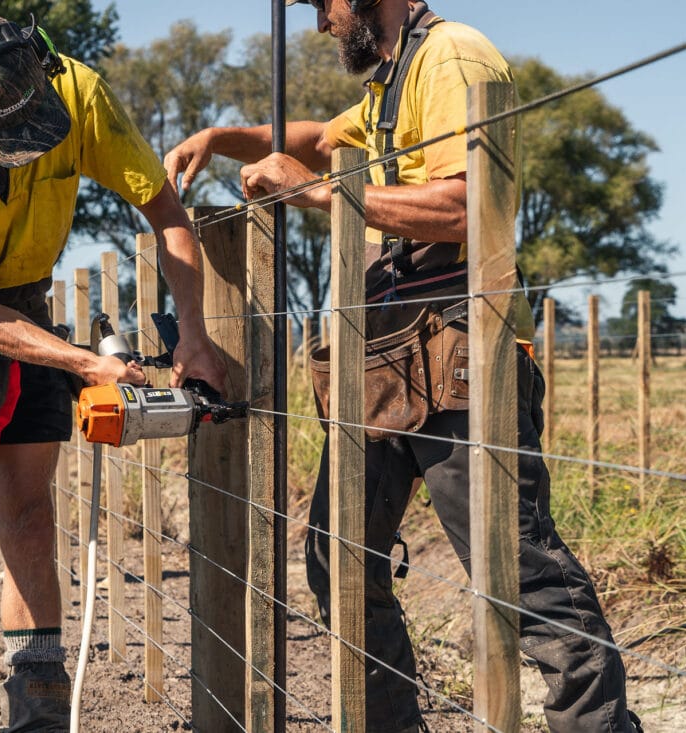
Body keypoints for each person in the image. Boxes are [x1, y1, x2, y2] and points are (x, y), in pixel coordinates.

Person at [165, 1, 640, 732]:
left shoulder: (452, 57)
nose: (320, 21)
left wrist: (325, 194)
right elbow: (322, 140)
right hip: (388, 354)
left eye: (324, 1)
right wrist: (219, 138)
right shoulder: (391, 81)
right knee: (337, 556)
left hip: (459, 349)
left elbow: (467, 205)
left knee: (517, 570)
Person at [0, 12, 225, 733]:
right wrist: (84, 361)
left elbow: (166, 210)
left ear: (42, 70)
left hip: (28, 298)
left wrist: (193, 332)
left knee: (32, 520)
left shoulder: (82, 93)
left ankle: (37, 709)